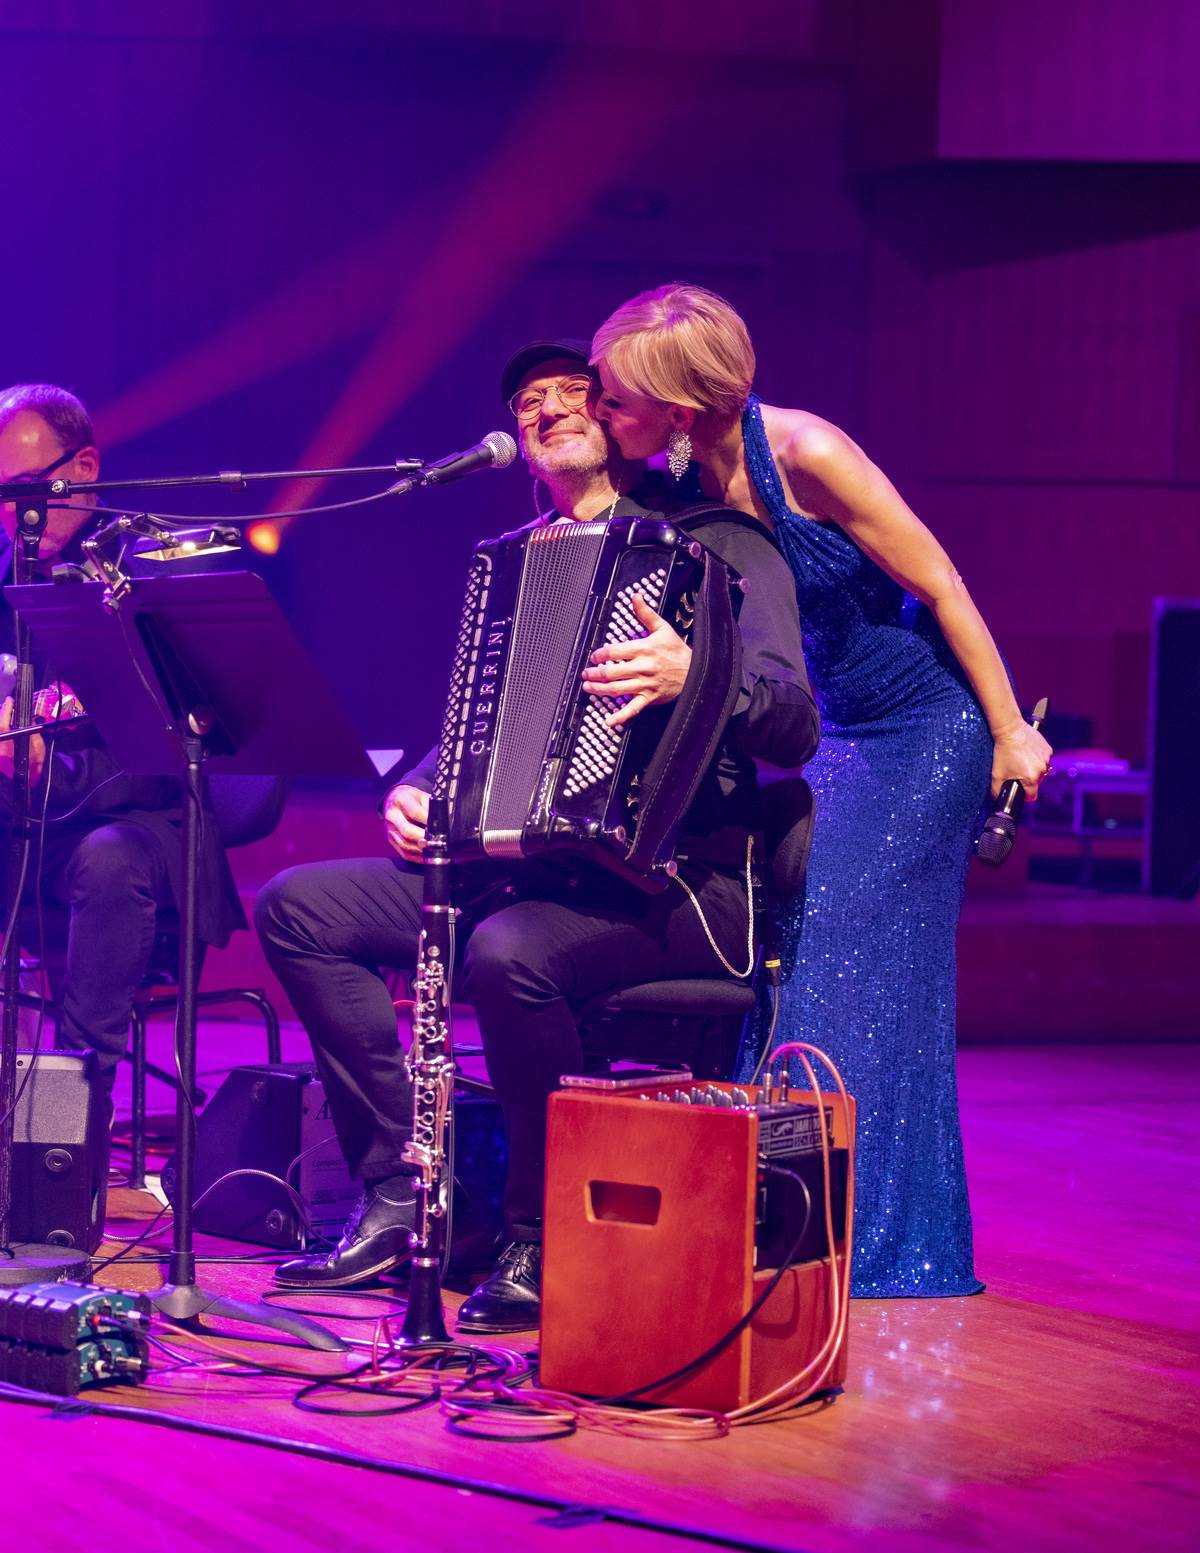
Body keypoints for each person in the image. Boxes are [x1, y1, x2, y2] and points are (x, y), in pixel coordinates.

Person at [255, 338, 820, 1331]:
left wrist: (701, 674)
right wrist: (420, 791)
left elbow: (794, 723)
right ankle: (401, 1191)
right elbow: (485, 721)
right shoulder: (514, 566)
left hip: (676, 884)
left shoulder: (720, 546)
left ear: (623, 425)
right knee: (303, 907)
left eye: (572, 395)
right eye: (528, 403)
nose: (545, 410)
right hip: (526, 872)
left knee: (508, 952)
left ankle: (538, 1228)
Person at [590, 285, 1054, 1299]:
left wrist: (1012, 728)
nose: (604, 407)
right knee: (795, 943)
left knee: (856, 960)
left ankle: (875, 1238)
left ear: (677, 402)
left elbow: (943, 584)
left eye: (620, 394)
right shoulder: (681, 473)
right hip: (839, 732)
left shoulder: (807, 452)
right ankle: (785, 1219)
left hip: (926, 725)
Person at [0, 383, 244, 1095]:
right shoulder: (8, 573)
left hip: (148, 828)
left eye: (24, 487)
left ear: (85, 469)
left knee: (108, 860)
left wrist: (47, 766)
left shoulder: (153, 567)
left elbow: (170, 760)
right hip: (31, 827)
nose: (11, 510)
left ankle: (72, 1114)